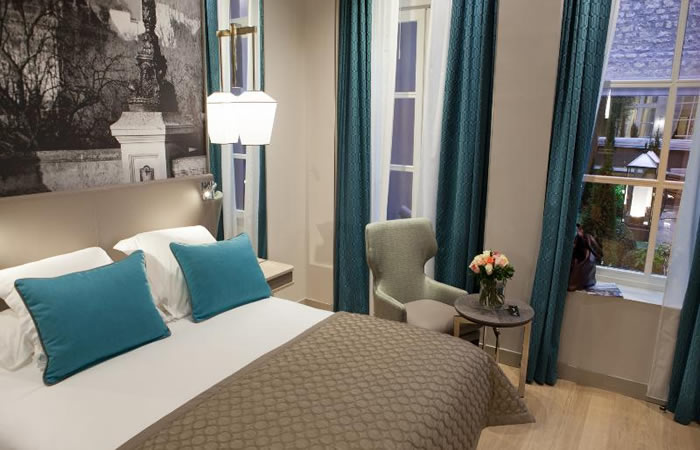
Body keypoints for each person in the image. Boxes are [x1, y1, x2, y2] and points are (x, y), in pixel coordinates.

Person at [568, 224, 602, 291]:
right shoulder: (586, 239)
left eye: (580, 230)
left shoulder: (583, 239)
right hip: (587, 280)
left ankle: (575, 283)